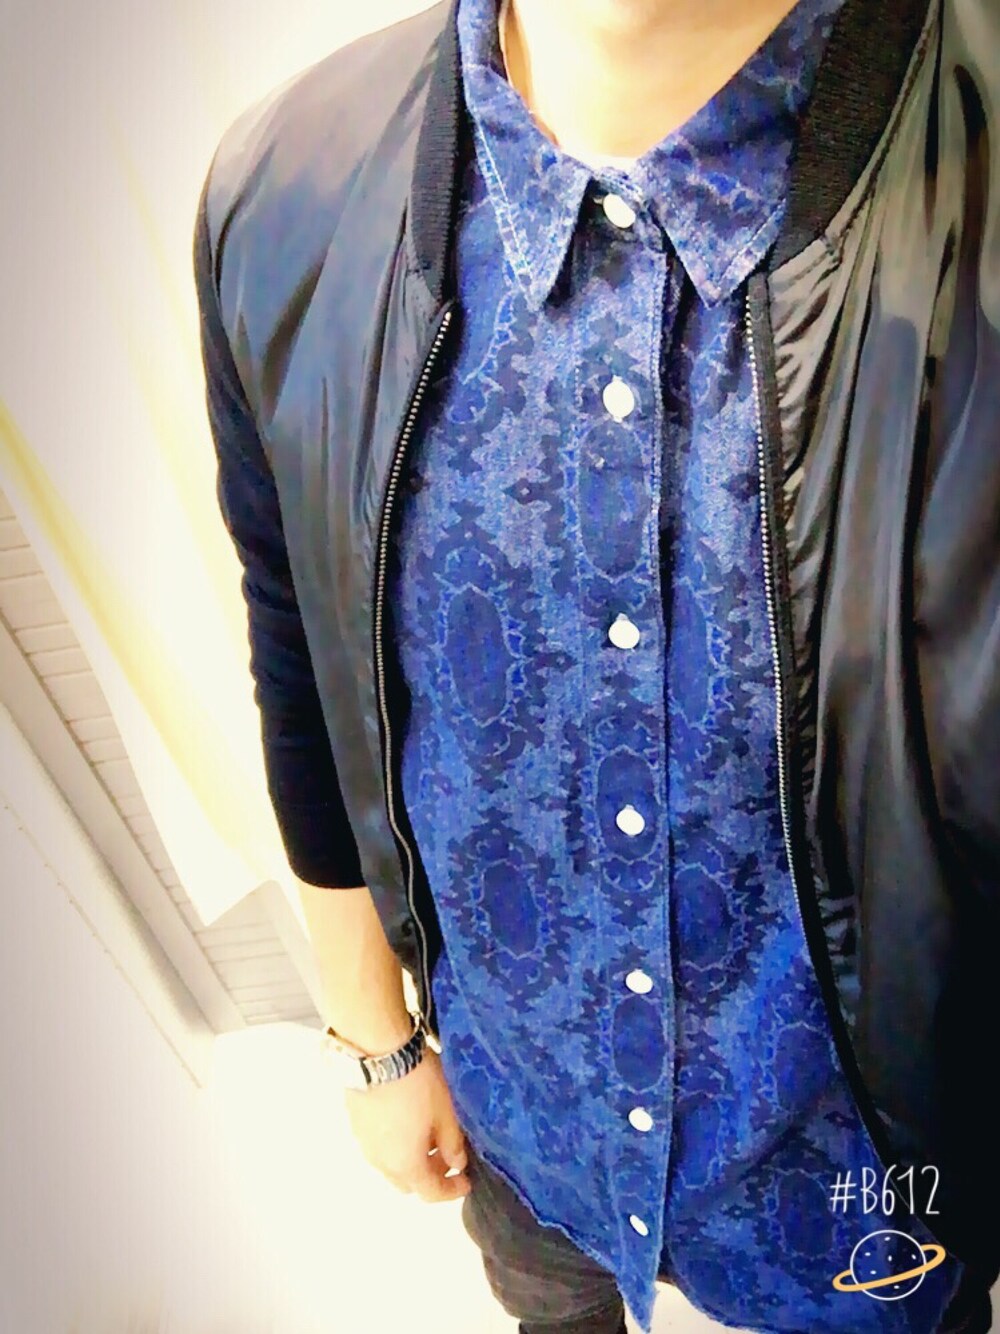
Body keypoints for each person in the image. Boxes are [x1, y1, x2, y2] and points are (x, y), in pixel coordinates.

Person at [192, 0, 999, 1329]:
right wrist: (373, 1032)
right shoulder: (286, 198)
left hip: (868, 1207)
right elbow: (298, 635)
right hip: (522, 1137)